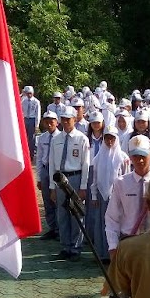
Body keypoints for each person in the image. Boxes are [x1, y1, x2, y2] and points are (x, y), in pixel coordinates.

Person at [104, 135, 150, 261]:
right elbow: (112, 217)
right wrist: (113, 246)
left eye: (143, 156)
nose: (139, 161)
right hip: (129, 242)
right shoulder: (121, 183)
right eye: (135, 156)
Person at [50, 106, 91, 260]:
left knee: (76, 214)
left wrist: (83, 186)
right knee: (62, 214)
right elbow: (52, 163)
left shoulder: (82, 138)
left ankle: (75, 247)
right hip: (60, 179)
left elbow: (85, 164)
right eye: (63, 119)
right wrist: (52, 187)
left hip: (75, 177)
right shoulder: (56, 139)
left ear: (75, 119)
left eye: (69, 119)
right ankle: (65, 245)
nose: (66, 122)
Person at [89, 125, 130, 260]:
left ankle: (116, 253)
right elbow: (94, 179)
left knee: (116, 224)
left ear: (116, 139)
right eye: (107, 138)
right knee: (101, 224)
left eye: (112, 138)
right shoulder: (98, 157)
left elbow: (126, 177)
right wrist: (94, 195)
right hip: (102, 196)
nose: (109, 141)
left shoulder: (123, 157)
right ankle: (102, 253)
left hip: (117, 196)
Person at [36, 111, 60, 240]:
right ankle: (52, 228)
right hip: (45, 170)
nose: (49, 123)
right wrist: (39, 177)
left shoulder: (61, 137)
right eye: (46, 121)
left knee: (58, 200)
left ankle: (60, 228)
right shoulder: (42, 138)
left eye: (52, 120)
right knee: (47, 200)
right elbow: (39, 158)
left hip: (57, 172)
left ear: (57, 122)